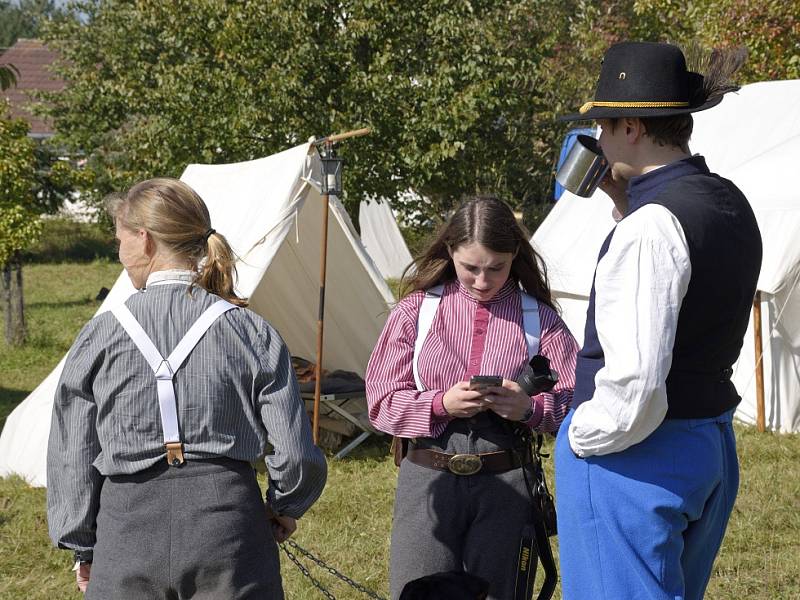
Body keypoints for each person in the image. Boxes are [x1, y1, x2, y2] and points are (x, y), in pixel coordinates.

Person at [47, 177, 327, 599]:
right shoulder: (250, 330)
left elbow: (73, 453)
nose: (119, 251)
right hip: (227, 524)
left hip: (127, 529)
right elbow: (295, 448)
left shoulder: (100, 334)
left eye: (119, 239)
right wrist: (286, 504)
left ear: (143, 240)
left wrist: (82, 543)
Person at [554, 41, 762, 600]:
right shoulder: (727, 200)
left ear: (630, 127)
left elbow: (637, 383)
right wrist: (628, 204)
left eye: (602, 126)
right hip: (707, 443)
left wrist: (580, 438)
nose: (598, 140)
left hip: (637, 456)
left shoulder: (650, 228)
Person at [366, 196, 578, 600]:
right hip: (427, 479)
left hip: (509, 481)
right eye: (470, 268)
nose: (483, 281)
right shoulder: (415, 312)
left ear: (515, 255)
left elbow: (577, 404)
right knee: (418, 593)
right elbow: (379, 402)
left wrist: (530, 409)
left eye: (496, 268)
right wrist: (439, 405)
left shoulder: (541, 319)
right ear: (450, 252)